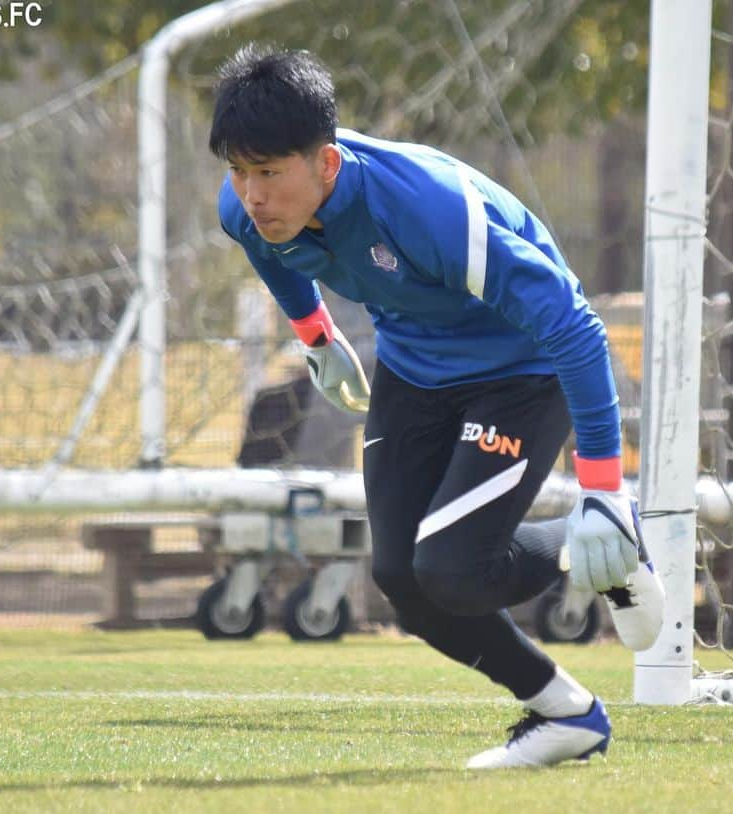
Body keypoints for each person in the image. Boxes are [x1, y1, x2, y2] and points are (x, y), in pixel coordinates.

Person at [210, 44, 664, 769]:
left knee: (453, 569)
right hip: (416, 372)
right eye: (238, 171)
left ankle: (604, 542)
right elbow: (270, 253)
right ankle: (567, 715)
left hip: (522, 369)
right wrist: (318, 339)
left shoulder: (429, 208)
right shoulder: (245, 206)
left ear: (326, 165)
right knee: (398, 576)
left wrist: (602, 490)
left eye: (268, 173)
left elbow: (574, 327)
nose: (252, 194)